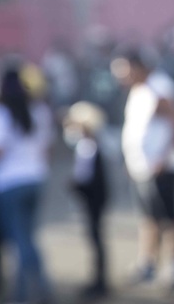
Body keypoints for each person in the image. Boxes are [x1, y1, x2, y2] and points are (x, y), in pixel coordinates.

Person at [111, 50, 174, 291]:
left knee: (170, 219)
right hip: (143, 168)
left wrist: (163, 158)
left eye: (125, 71)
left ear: (138, 66)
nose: (121, 77)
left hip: (163, 168)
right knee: (148, 217)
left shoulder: (160, 87)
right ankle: (148, 263)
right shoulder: (139, 89)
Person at [0, 68, 54, 304]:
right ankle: (39, 290)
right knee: (28, 237)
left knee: (19, 241)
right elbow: (47, 149)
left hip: (7, 184)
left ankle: (26, 294)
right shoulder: (39, 109)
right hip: (34, 179)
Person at [63, 101, 111, 298]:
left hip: (93, 200)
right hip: (93, 199)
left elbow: (87, 178)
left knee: (95, 238)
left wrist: (75, 186)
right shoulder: (88, 145)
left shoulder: (89, 146)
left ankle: (99, 282)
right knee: (94, 238)